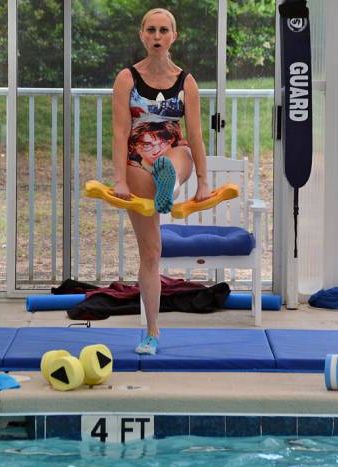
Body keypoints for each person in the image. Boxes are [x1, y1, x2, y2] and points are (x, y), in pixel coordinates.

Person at [111, 8, 210, 355]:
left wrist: (204, 182)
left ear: (173, 36)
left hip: (174, 150)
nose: (156, 36)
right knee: (152, 253)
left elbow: (196, 136)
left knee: (175, 158)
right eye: (151, 30)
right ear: (142, 35)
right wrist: (119, 180)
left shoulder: (187, 82)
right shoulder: (127, 79)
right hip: (138, 158)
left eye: (163, 30)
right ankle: (152, 333)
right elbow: (121, 132)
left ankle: (171, 184)